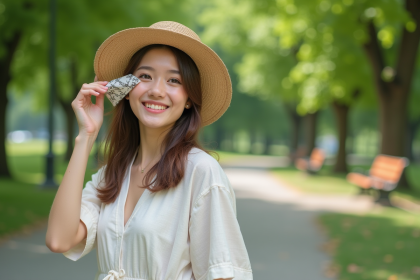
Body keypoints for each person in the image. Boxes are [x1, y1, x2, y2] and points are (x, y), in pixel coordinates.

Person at [45, 21, 253, 280]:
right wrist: (85, 137)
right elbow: (58, 239)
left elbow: (223, 274)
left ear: (189, 99)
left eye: (174, 80)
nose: (156, 90)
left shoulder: (201, 172)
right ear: (127, 89)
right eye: (145, 76)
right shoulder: (114, 173)